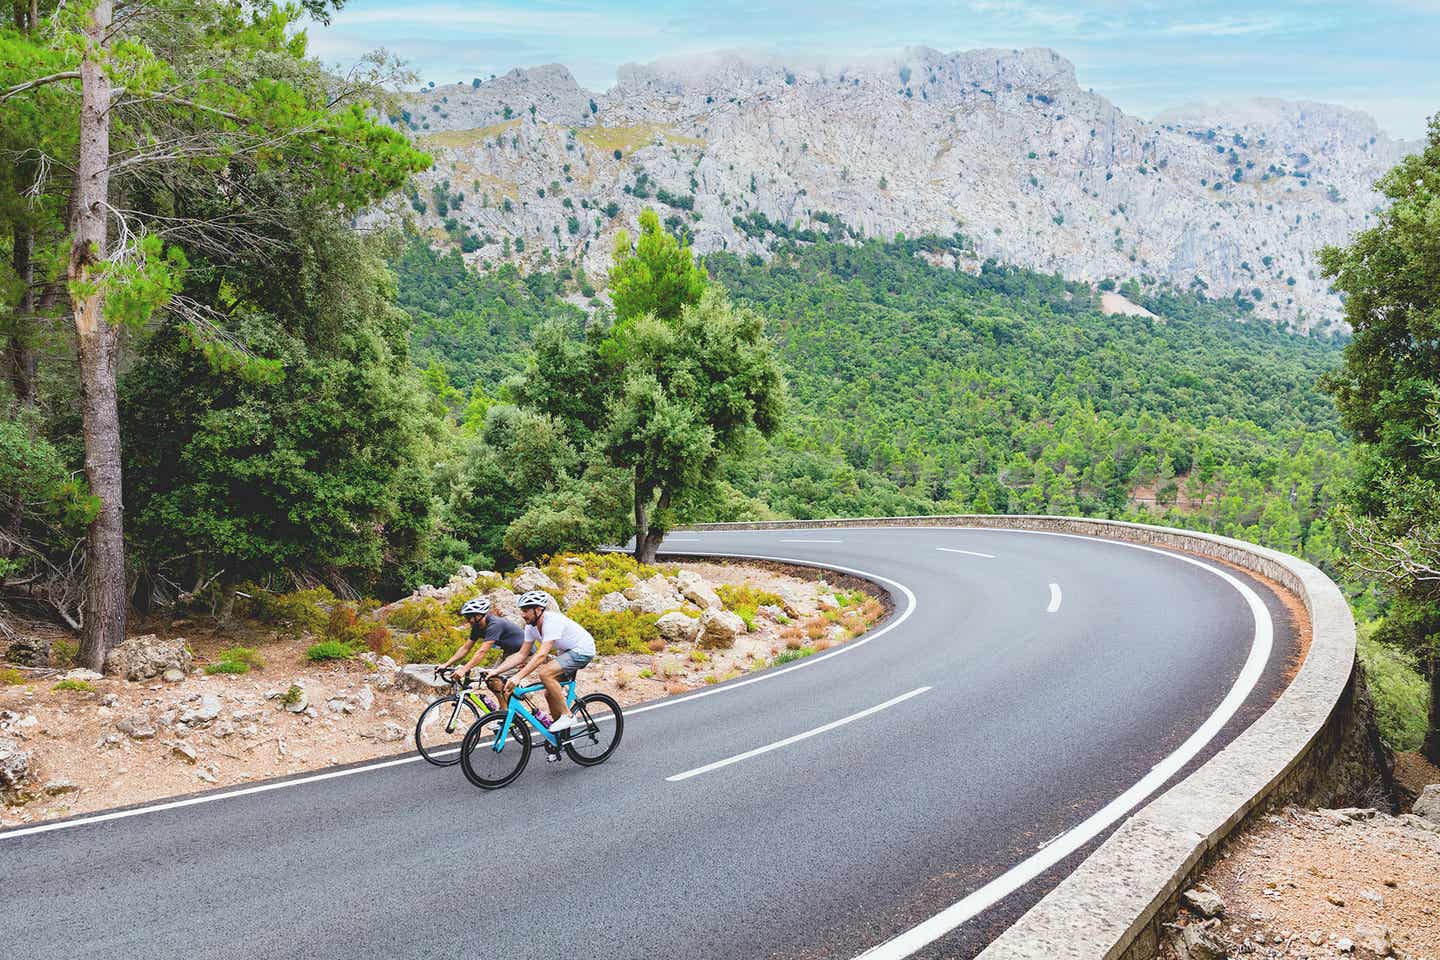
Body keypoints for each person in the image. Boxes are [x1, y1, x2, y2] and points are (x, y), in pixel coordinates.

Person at [506, 590, 595, 732]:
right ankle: (559, 737)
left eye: (526, 610)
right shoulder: (530, 627)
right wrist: (496, 671)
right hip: (566, 652)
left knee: (545, 673)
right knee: (550, 693)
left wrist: (518, 677)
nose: (523, 615)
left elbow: (541, 654)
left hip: (583, 649)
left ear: (538, 609)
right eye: (522, 611)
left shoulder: (551, 621)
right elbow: (521, 654)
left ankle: (568, 715)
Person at [437, 597, 530, 708]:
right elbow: (465, 648)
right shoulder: (477, 627)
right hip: (508, 653)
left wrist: (464, 669)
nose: (467, 620)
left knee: (495, 679)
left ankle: (505, 715)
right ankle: (505, 712)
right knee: (490, 678)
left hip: (523, 653)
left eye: (469, 617)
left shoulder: (494, 625)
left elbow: (482, 651)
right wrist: (446, 664)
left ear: (479, 615)